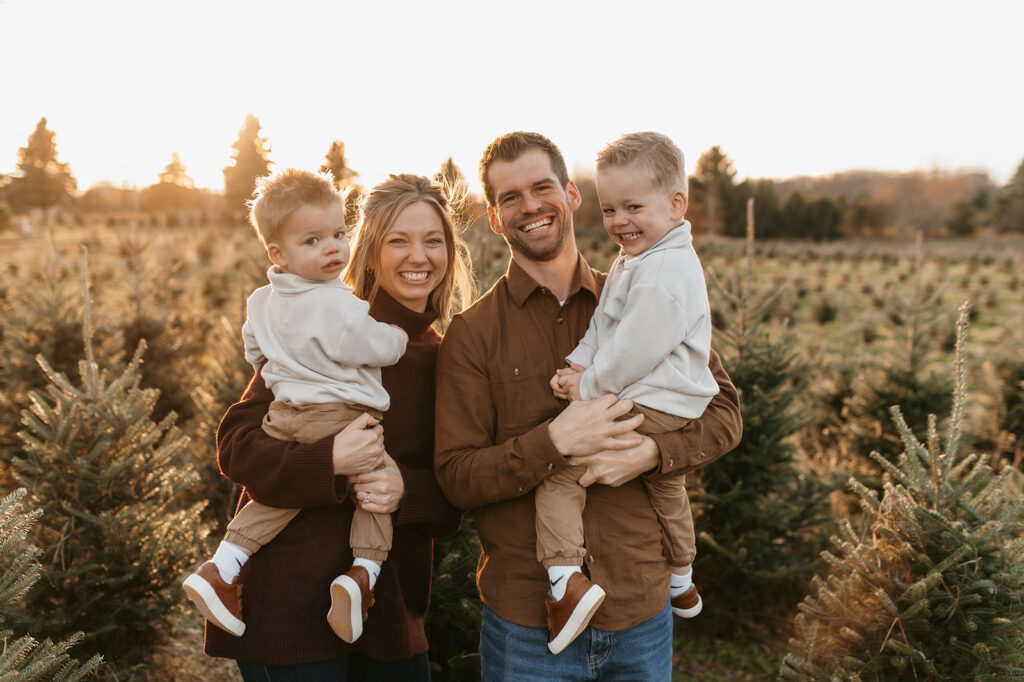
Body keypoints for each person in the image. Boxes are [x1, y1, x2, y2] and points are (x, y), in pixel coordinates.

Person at [434, 131, 742, 680]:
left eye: (542, 187)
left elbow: (723, 415)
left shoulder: (639, 296)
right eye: (510, 197)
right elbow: (456, 477)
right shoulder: (472, 334)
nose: (530, 206)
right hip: (527, 626)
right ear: (493, 216)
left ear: (572, 195)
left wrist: (651, 453)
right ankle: (564, 582)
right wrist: (553, 444)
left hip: (640, 614)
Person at [207, 173, 474, 681]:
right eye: (399, 240)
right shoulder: (323, 327)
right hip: (290, 610)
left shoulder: (449, 358)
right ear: (369, 251)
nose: (418, 257)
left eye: (432, 240)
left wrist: (405, 490)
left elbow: (458, 487)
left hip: (387, 609)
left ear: (449, 252)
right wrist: (326, 462)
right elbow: (236, 445)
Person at [184, 168, 409, 644]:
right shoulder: (336, 306)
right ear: (278, 253)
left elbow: (255, 351)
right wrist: (397, 335)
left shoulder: (261, 301)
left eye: (338, 234)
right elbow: (378, 347)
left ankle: (224, 564)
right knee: (375, 481)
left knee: (276, 498)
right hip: (339, 415)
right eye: (313, 240)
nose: (332, 248)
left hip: (283, 414)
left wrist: (284, 370)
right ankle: (363, 573)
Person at [542, 132, 718, 653]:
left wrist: (586, 387)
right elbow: (603, 326)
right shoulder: (635, 259)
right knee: (666, 487)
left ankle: (563, 582)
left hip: (656, 400)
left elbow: (633, 350)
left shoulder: (663, 272)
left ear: (676, 204)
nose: (619, 221)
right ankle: (682, 580)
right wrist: (578, 358)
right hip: (665, 401)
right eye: (610, 208)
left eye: (634, 207)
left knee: (562, 473)